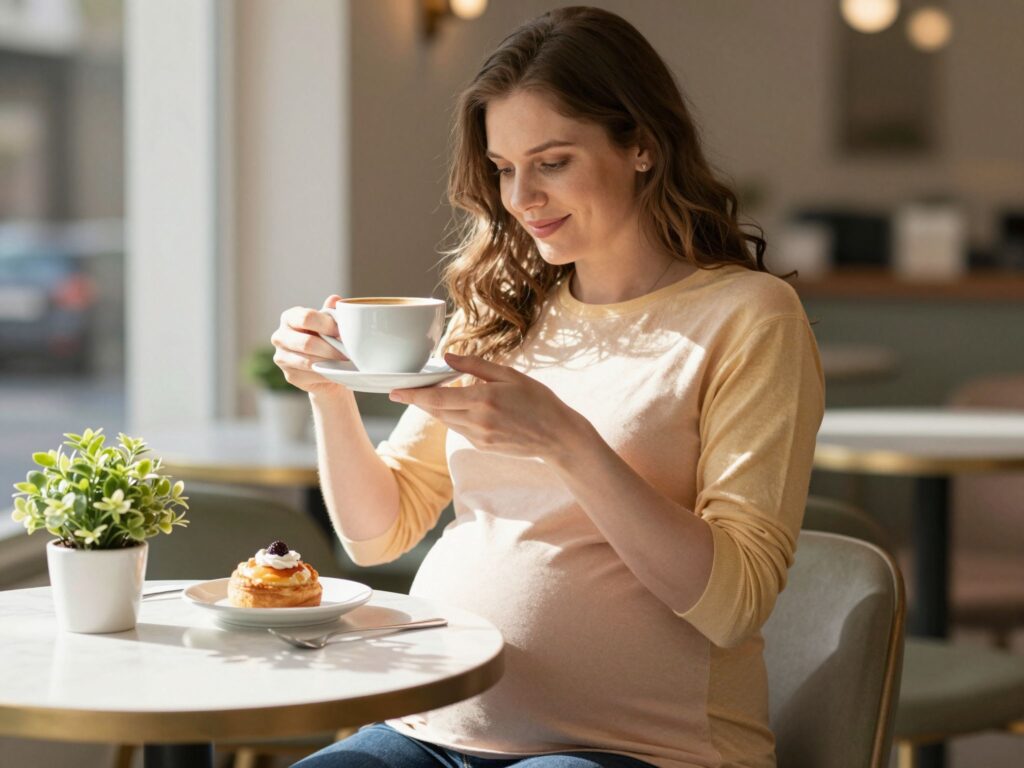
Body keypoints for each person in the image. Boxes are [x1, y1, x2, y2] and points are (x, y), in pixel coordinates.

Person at [273, 6, 824, 768]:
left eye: (553, 160)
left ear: (641, 146)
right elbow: (378, 533)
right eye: (503, 168)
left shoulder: (748, 316)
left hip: (637, 751)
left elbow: (734, 603)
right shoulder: (500, 306)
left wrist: (564, 441)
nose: (520, 196)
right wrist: (328, 390)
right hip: (431, 729)